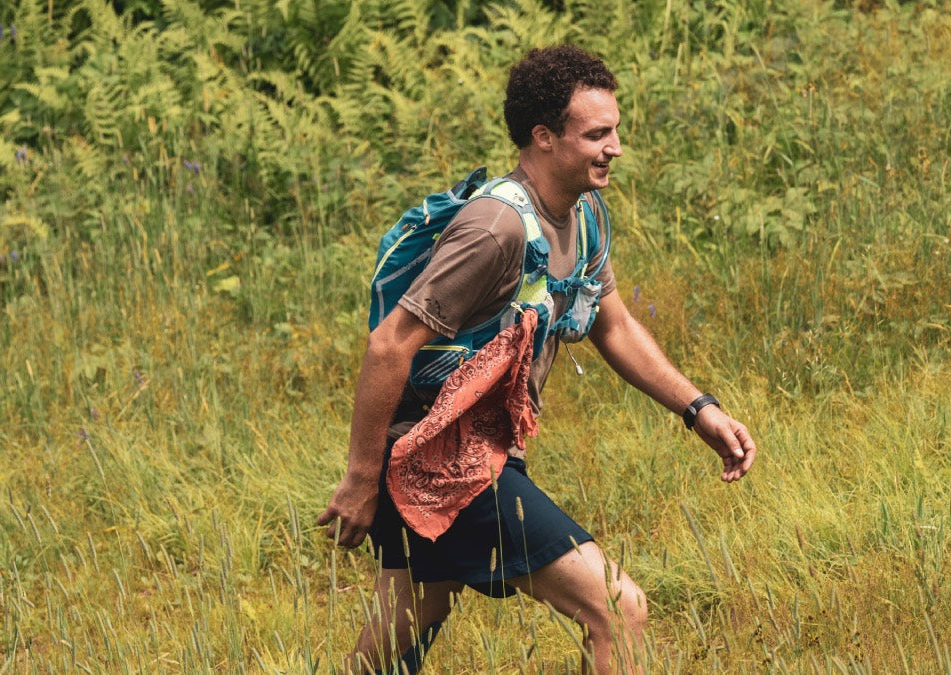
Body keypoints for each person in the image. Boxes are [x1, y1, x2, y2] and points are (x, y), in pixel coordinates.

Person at [317, 45, 758, 674]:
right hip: (440, 460)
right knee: (616, 608)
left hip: (483, 451)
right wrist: (362, 479)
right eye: (597, 134)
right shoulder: (495, 228)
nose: (615, 147)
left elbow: (616, 325)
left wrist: (699, 410)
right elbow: (390, 343)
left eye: (616, 130)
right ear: (543, 137)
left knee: (408, 620)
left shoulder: (586, 215)